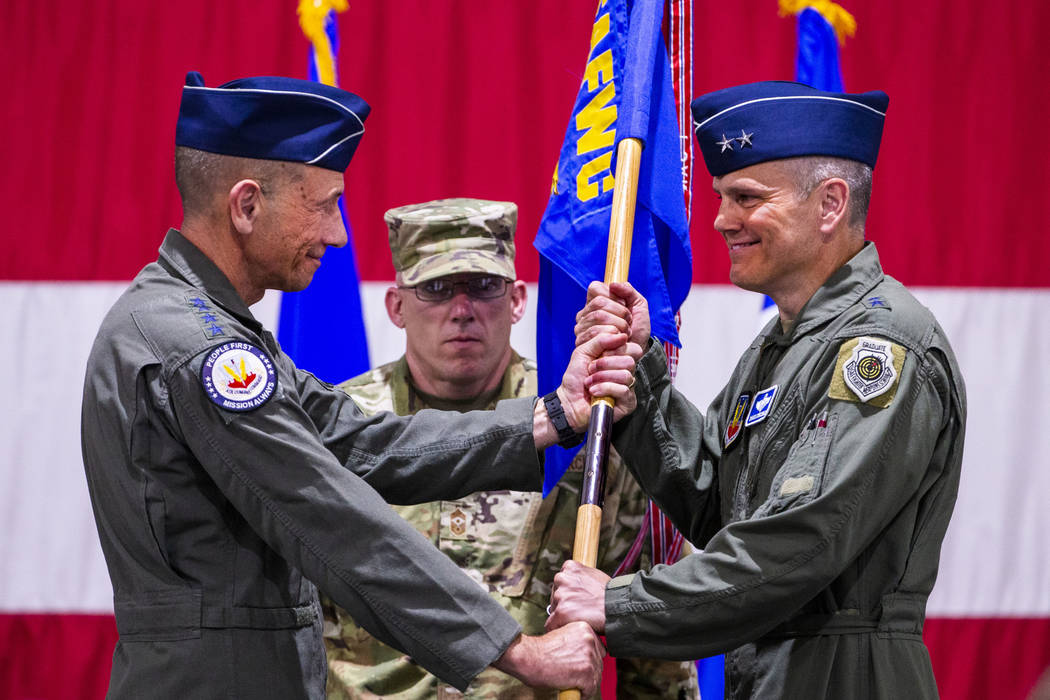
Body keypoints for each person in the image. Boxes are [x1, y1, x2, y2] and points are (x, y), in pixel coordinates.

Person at [80, 72, 640, 699]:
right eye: (321, 205)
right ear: (245, 205)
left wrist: (553, 415)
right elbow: (329, 517)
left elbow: (358, 441)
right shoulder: (203, 349)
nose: (337, 233)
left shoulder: (198, 323)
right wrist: (518, 650)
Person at [547, 80, 967, 698]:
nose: (720, 221)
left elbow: (797, 543)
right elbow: (719, 505)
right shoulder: (784, 343)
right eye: (721, 197)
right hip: (772, 670)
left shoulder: (879, 349)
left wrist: (619, 603)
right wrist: (639, 379)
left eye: (746, 197)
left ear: (829, 204)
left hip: (846, 679)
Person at [320, 198, 699, 699]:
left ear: (518, 299)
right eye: (435, 288)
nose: (462, 311)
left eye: (483, 287)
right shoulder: (343, 429)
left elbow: (652, 632)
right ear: (396, 306)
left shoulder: (590, 422)